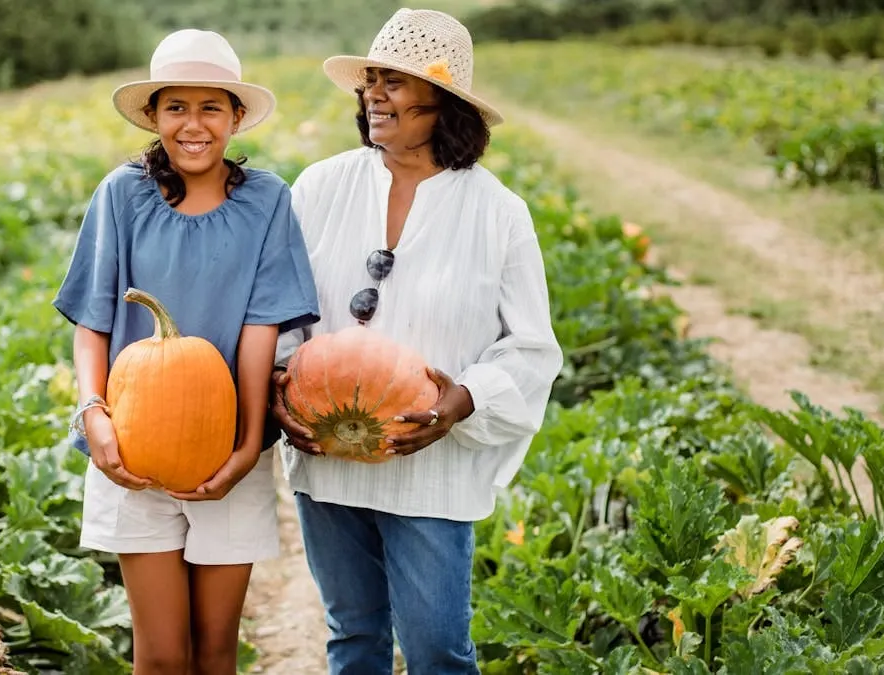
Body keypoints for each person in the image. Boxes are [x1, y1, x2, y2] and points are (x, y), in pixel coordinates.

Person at [269, 8, 563, 675]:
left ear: (445, 104)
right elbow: (280, 310)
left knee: (437, 650)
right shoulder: (319, 187)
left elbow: (531, 349)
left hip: (431, 467)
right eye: (370, 80)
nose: (375, 93)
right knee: (354, 637)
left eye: (395, 82)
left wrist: (461, 400)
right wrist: (279, 385)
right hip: (329, 452)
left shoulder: (498, 213)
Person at [51, 29, 319, 675]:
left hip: (227, 450)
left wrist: (248, 442)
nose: (193, 125)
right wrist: (94, 413)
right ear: (153, 115)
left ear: (235, 117)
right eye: (176, 107)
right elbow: (94, 315)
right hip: (131, 448)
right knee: (164, 654)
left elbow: (261, 330)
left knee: (214, 647)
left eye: (210, 108)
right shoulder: (121, 193)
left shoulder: (267, 200)